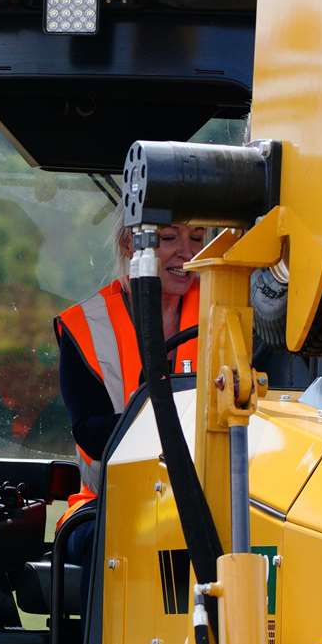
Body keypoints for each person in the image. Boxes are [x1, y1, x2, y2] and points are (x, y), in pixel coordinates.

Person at [52, 220, 203, 544]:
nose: (187, 252)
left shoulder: (228, 311)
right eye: (168, 238)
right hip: (108, 503)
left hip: (210, 501)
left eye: (198, 238)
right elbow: (91, 433)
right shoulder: (85, 327)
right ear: (127, 244)